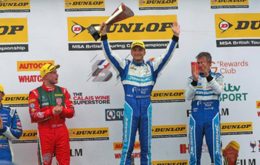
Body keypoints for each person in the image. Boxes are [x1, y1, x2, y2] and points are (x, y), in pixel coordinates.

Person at [100, 22, 180, 165]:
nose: (137, 52)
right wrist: (104, 36)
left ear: (144, 52)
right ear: (131, 52)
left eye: (140, 49)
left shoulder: (152, 67)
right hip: (131, 111)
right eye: (135, 50)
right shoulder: (125, 66)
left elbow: (166, 56)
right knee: (127, 148)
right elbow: (109, 55)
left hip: (146, 112)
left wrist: (174, 37)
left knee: (146, 149)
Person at [28, 63, 75, 165]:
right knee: (45, 162)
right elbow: (34, 116)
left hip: (61, 130)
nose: (57, 75)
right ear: (45, 76)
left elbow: (71, 112)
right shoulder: (35, 93)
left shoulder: (63, 91)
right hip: (45, 132)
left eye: (56, 72)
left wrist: (61, 110)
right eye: (53, 73)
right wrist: (51, 112)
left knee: (65, 163)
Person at [185, 52, 223, 165]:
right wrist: (195, 81)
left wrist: (208, 76)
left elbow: (219, 91)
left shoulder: (218, 77)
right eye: (198, 63)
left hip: (212, 118)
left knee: (216, 153)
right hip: (196, 118)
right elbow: (188, 96)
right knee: (194, 154)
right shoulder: (191, 78)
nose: (200, 65)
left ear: (210, 63)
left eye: (203, 62)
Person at [0, 84, 23, 162]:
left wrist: (3, 128)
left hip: (5, 154)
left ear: (2, 95)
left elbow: (18, 133)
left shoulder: (11, 111)